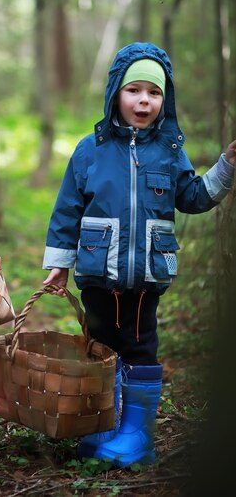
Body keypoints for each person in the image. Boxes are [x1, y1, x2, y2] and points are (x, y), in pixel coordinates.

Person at [43, 42, 236, 468]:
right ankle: (106, 426)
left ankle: (138, 436)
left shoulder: (168, 151)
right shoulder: (89, 150)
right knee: (101, 348)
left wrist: (225, 167)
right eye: (134, 91)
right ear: (116, 93)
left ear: (165, 101)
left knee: (139, 347)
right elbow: (67, 209)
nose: (143, 100)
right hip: (97, 272)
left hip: (147, 274)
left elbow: (193, 196)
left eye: (154, 92)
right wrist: (59, 263)